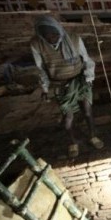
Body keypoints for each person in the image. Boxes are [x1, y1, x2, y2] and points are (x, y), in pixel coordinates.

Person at [30, 15, 103, 158]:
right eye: (47, 35)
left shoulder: (74, 39)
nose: (52, 38)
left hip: (80, 80)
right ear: (41, 35)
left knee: (87, 112)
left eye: (54, 34)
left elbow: (87, 60)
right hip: (61, 84)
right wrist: (44, 88)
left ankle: (93, 136)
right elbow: (40, 69)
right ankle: (73, 142)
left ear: (59, 30)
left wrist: (89, 78)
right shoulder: (37, 44)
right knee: (68, 117)